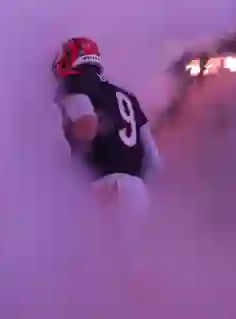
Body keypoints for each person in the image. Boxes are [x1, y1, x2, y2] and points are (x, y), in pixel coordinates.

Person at [52, 37, 161, 216]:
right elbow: (154, 161)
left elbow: (87, 125)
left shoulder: (76, 85)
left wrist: (66, 160)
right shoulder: (127, 96)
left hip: (107, 187)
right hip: (138, 191)